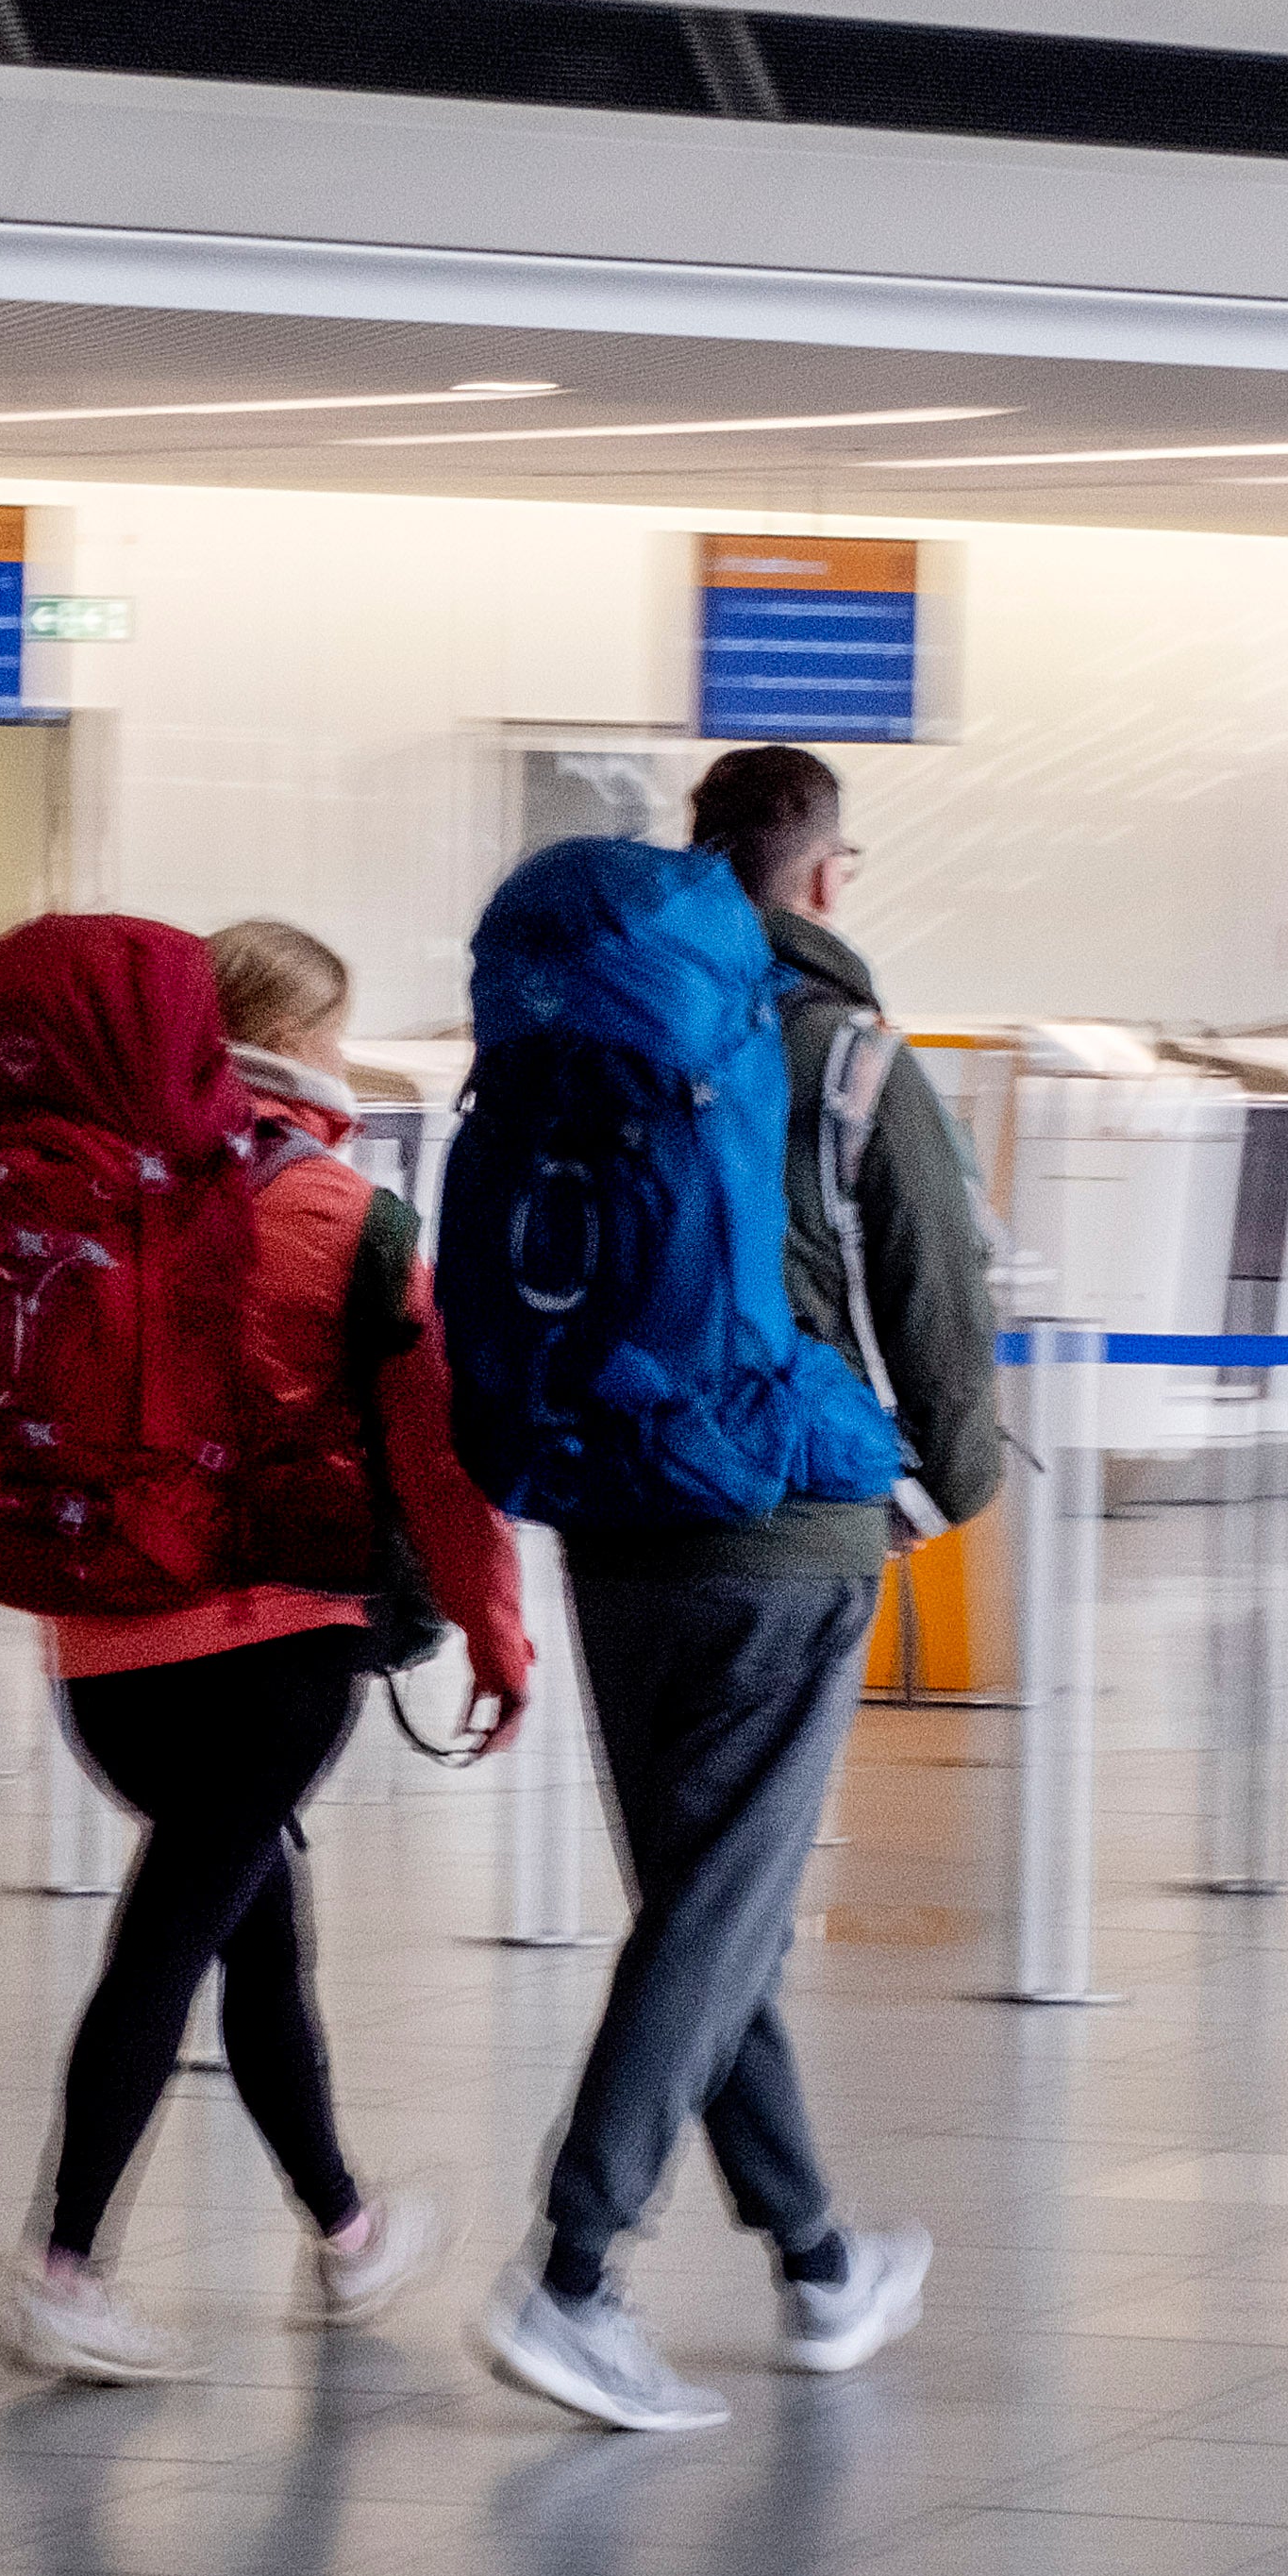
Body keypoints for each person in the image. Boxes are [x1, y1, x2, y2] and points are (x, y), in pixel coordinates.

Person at [474, 749, 1003, 2434]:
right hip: (783, 1527)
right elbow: (934, 1289)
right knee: (720, 1906)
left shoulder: (588, 1025)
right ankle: (572, 2269)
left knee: (711, 1902)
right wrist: (945, 1489)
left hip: (605, 1510)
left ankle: (815, 2254)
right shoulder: (844, 1050)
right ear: (827, 874)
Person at [0, 914, 536, 2387]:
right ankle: (60, 2262)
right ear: (301, 1042)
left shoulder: (89, 1193)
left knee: (252, 1924)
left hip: (100, 1647)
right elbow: (438, 1452)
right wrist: (495, 1629)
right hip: (274, 1648)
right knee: (175, 1939)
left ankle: (347, 2235)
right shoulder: (342, 1213)